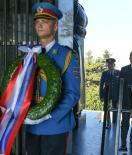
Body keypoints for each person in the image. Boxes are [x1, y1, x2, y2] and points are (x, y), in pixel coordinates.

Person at [25, 2, 80, 155]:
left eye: (45, 21)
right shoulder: (30, 54)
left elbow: (73, 94)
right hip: (31, 124)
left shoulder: (67, 55)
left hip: (55, 125)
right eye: (37, 21)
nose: (39, 25)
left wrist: (49, 114)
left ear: (55, 27)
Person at [99, 58, 120, 128]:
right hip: (106, 93)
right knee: (106, 108)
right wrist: (101, 95)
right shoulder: (104, 73)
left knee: (115, 108)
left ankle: (114, 122)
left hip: (116, 94)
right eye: (109, 64)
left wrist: (121, 95)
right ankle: (108, 122)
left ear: (114, 65)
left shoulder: (119, 73)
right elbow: (101, 85)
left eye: (111, 64)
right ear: (107, 65)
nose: (110, 66)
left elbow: (121, 85)